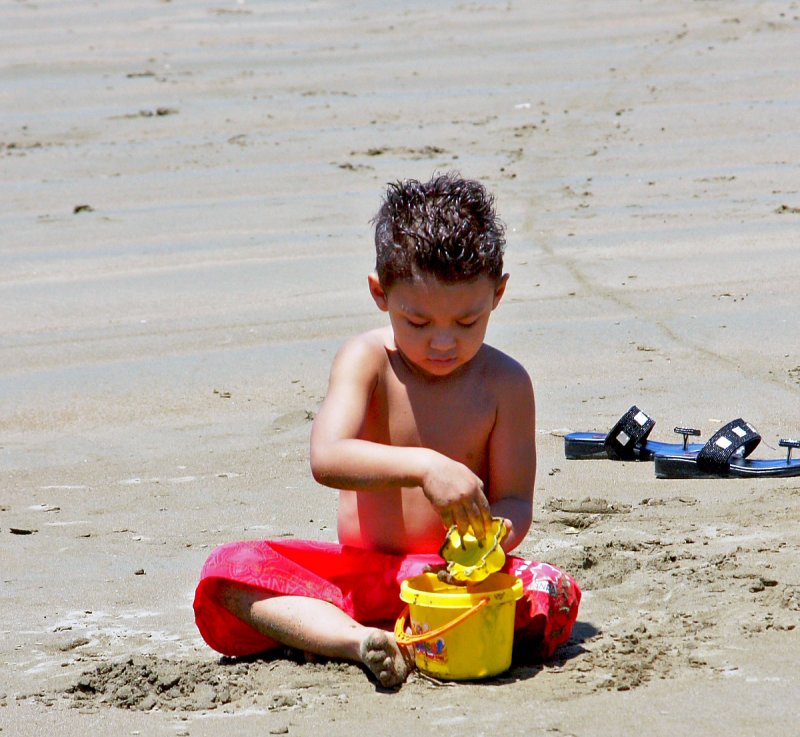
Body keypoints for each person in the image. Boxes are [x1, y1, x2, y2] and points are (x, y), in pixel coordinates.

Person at [193, 172, 581, 688]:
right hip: (363, 576)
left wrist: (485, 547)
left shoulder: (505, 383)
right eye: (417, 322)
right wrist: (426, 466)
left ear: (499, 294)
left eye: (468, 322)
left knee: (553, 595)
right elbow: (328, 458)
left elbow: (514, 501)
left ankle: (342, 634)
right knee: (229, 571)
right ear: (380, 293)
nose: (443, 342)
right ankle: (358, 641)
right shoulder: (368, 361)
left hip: (452, 586)